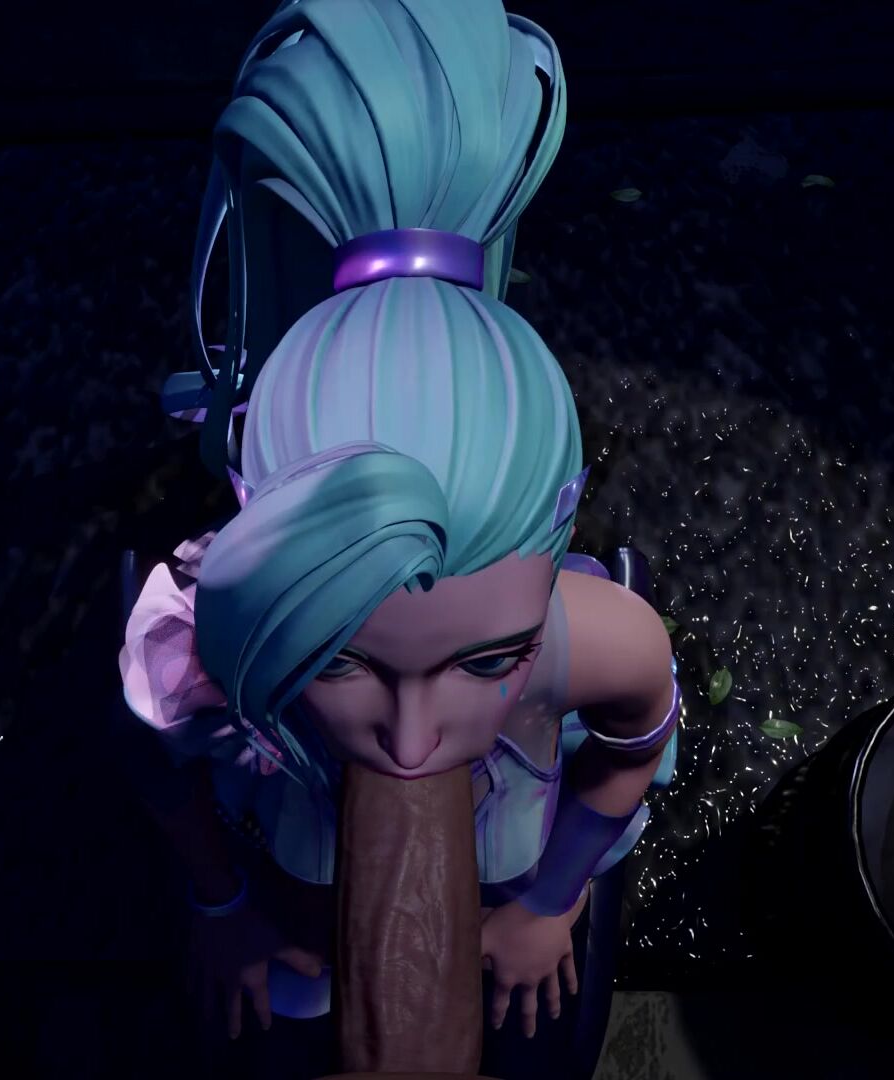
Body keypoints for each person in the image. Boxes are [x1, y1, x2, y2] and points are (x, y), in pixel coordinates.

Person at [116, 2, 681, 1076]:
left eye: (488, 657)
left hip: (503, 828)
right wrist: (224, 904)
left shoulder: (599, 641)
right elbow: (157, 765)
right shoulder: (203, 647)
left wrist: (550, 901)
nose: (414, 741)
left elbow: (634, 744)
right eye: (340, 658)